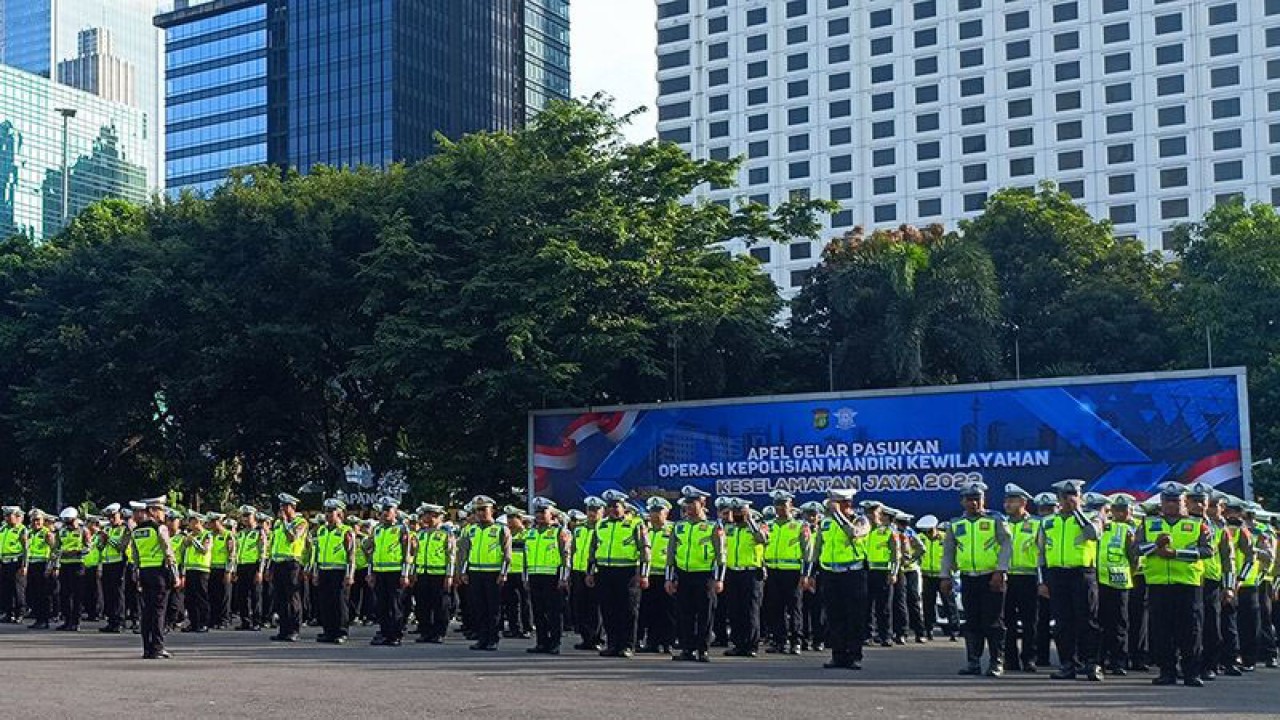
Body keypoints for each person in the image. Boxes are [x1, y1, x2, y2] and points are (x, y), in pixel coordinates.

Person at [1138, 482, 1213, 687]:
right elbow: (1136, 549)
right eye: (1168, 501)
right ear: (1161, 502)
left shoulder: (1199, 525)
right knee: (1162, 630)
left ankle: (1191, 672)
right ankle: (1167, 672)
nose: (1172, 505)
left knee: (1191, 631)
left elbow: (1208, 551)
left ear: (1184, 502)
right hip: (1158, 584)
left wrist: (1177, 554)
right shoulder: (1148, 523)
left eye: (1176, 501)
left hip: (1187, 584)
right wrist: (1156, 545)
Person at [941, 481, 1011, 677]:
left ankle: (996, 662)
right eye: (969, 499)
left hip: (991, 577)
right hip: (968, 578)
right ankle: (973, 662)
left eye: (977, 499)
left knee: (994, 621)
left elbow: (1006, 545)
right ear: (962, 501)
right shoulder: (955, 524)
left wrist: (1001, 570)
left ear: (983, 499)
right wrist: (945, 576)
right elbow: (948, 552)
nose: (973, 503)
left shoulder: (995, 519)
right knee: (972, 621)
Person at [1039, 479, 1104, 681]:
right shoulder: (1048, 521)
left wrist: (1077, 512)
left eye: (1073, 496)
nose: (1068, 500)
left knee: (1087, 620)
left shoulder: (1092, 516)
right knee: (1062, 623)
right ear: (1058, 499)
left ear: (1080, 497)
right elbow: (1040, 552)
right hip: (1057, 575)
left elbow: (1094, 535)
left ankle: (1092, 664)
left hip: (1082, 574)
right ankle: (1068, 664)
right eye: (1065, 497)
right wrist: (1042, 580)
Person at [805, 487, 871, 670]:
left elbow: (854, 533)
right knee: (834, 616)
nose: (831, 506)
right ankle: (838, 655)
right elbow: (816, 549)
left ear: (847, 503)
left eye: (837, 502)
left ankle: (854, 655)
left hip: (853, 573)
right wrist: (810, 574)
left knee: (854, 616)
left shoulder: (860, 520)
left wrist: (838, 515)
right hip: (830, 573)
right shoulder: (826, 523)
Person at [666, 485, 725, 662]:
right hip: (684, 575)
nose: (689, 507)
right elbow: (671, 554)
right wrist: (669, 578)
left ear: (702, 503)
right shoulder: (679, 526)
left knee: (705, 614)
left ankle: (703, 649)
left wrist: (718, 579)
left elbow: (721, 554)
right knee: (685, 613)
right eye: (687, 504)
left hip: (705, 576)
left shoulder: (713, 526)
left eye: (693, 503)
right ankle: (687, 649)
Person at [588, 489, 650, 658]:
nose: (613, 509)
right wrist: (590, 572)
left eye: (616, 506)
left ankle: (628, 645)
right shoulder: (601, 524)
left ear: (624, 507)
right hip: (605, 572)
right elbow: (593, 550)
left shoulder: (636, 524)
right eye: (610, 506)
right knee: (608, 609)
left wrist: (644, 574)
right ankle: (612, 644)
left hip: (628, 572)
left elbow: (645, 550)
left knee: (628, 610)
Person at [1187, 483, 1234, 681]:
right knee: (1188, 626)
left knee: (1211, 626)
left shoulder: (1219, 528)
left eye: (1202, 502)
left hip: (1211, 581)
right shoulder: (1178, 524)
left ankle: (1209, 665)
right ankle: (1189, 665)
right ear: (1186, 502)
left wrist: (1229, 586)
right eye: (1194, 501)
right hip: (1188, 579)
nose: (1199, 505)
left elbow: (1227, 558)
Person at [457, 495, 511, 651]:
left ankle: (492, 638)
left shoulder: (501, 529)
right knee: (478, 607)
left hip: (493, 573)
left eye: (483, 509)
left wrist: (503, 573)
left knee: (492, 608)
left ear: (492, 510)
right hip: (475, 573)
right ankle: (482, 638)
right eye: (477, 510)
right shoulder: (471, 530)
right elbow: (465, 553)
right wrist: (463, 572)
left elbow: (507, 555)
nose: (480, 513)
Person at [130, 496, 179, 659]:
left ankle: (147, 648)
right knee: (159, 611)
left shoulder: (136, 531)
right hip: (159, 573)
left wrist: (137, 573)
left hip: (144, 573)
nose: (163, 513)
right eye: (160, 509)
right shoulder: (159, 528)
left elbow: (135, 555)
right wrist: (175, 574)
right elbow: (168, 551)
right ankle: (158, 647)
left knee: (147, 611)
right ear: (152, 511)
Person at [763, 490, 809, 654]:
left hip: (793, 572)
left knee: (794, 607)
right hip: (773, 571)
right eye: (777, 505)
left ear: (791, 506)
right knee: (775, 607)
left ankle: (796, 641)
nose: (780, 508)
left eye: (784, 504)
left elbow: (806, 551)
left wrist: (805, 574)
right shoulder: (768, 525)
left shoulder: (800, 525)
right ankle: (779, 641)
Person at [1097, 493, 1138, 675]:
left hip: (1119, 582)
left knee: (1119, 624)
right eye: (1116, 510)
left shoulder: (1126, 530)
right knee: (1098, 623)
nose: (1119, 513)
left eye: (1124, 510)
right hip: (1097, 581)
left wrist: (1130, 574)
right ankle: (1100, 660)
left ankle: (1119, 661)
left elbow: (1134, 558)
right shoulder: (1099, 527)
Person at [1000, 483, 1040, 671]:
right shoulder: (1001, 523)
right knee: (1006, 620)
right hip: (1006, 577)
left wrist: (1042, 580)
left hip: (1028, 577)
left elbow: (1041, 554)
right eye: (1006, 500)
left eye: (1012, 501)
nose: (1007, 504)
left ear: (1023, 502)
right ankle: (1010, 659)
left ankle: (1029, 658)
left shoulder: (1036, 524)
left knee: (1030, 621)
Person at [524, 497, 571, 654]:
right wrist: (526, 578)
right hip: (535, 576)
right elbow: (526, 557)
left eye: (543, 512)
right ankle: (541, 642)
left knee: (553, 612)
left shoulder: (559, 532)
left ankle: (555, 643)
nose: (539, 516)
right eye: (537, 512)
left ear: (552, 514)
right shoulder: (531, 533)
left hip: (553, 576)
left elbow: (566, 556)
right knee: (538, 611)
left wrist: (564, 578)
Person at [722, 497, 767, 657]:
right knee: (735, 610)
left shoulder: (758, 527)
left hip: (751, 573)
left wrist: (750, 521)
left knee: (750, 610)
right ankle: (738, 644)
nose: (736, 514)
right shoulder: (730, 529)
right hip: (732, 572)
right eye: (734, 512)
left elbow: (763, 539)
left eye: (739, 511)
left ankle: (751, 645)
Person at [367, 497, 412, 646]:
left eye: (388, 510)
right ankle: (384, 633)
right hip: (380, 571)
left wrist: (405, 574)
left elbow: (407, 553)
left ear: (395, 512)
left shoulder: (401, 529)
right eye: (382, 511)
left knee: (395, 605)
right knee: (381, 605)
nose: (384, 513)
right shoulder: (377, 529)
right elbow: (372, 551)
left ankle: (395, 635)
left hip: (395, 571)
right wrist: (371, 572)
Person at [312, 498, 356, 644]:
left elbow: (351, 554)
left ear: (340, 513)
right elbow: (317, 553)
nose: (328, 514)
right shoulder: (322, 530)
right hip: (324, 570)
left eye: (332, 511)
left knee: (340, 603)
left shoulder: (345, 531)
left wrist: (350, 574)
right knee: (325, 602)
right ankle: (328, 631)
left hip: (339, 571)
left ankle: (341, 631)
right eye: (326, 511)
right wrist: (316, 572)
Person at [267, 493, 309, 642]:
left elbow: (293, 538)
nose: (282, 509)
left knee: (292, 598)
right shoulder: (277, 524)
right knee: (280, 598)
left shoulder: (301, 522)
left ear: (293, 507)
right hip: (278, 563)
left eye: (285, 506)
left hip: (292, 564)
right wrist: (269, 567)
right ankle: (283, 630)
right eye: (281, 506)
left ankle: (293, 629)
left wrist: (285, 523)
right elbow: (273, 546)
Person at [412, 503, 456, 644]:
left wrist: (449, 575)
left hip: (439, 574)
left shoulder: (446, 534)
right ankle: (425, 631)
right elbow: (415, 555)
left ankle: (439, 632)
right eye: (427, 515)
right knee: (422, 604)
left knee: (440, 605)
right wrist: (413, 572)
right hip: (422, 573)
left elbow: (451, 556)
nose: (429, 518)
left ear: (439, 518)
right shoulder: (421, 534)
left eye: (433, 516)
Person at [638, 496, 676, 654]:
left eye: (658, 511)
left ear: (666, 513)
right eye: (652, 511)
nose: (654, 515)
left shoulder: (673, 530)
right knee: (649, 611)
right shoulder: (645, 530)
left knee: (667, 612)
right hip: (648, 576)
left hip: (666, 576)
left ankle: (668, 642)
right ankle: (652, 642)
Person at [862, 500, 899, 647]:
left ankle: (885, 635)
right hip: (866, 571)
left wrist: (893, 572)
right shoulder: (862, 530)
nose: (871, 515)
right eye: (868, 512)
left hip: (883, 572)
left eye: (874, 512)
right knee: (866, 605)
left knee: (883, 606)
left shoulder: (889, 531)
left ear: (881, 515)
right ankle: (868, 634)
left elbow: (896, 554)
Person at [570, 498, 603, 650]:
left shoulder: (603, 528)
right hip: (578, 571)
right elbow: (573, 550)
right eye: (590, 510)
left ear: (602, 512)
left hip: (596, 572)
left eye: (595, 510)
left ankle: (596, 638)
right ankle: (586, 638)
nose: (592, 513)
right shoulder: (578, 529)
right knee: (580, 606)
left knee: (595, 607)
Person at [918, 515, 957, 642]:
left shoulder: (946, 537)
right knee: (928, 603)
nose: (928, 533)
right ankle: (929, 629)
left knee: (949, 603)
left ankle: (954, 631)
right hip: (927, 575)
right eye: (926, 531)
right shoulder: (920, 539)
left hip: (943, 575)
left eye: (930, 530)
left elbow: (954, 553)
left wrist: (953, 569)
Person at [891, 510, 926, 644]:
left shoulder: (910, 532)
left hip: (910, 570)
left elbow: (922, 548)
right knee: (899, 602)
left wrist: (911, 559)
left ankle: (919, 632)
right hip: (897, 570)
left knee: (913, 600)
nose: (904, 526)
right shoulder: (892, 531)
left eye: (906, 523)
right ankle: (901, 632)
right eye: (902, 523)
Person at [54, 507, 90, 631]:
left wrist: (77, 552)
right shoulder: (61, 531)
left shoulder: (83, 531)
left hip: (77, 565)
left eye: (70, 522)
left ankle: (76, 621)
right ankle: (67, 620)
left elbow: (88, 548)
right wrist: (60, 555)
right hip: (64, 565)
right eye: (66, 522)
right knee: (64, 594)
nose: (68, 525)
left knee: (77, 595)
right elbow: (56, 548)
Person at [500, 506, 533, 639]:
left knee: (525, 602)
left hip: (522, 572)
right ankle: (514, 628)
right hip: (509, 572)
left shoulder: (527, 534)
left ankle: (527, 628)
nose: (509, 521)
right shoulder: (506, 534)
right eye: (508, 518)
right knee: (511, 602)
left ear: (520, 519)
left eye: (513, 518)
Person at [233, 505, 267, 631]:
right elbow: (237, 553)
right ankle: (245, 621)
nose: (246, 519)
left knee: (255, 595)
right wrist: (234, 569)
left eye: (248, 516)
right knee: (242, 596)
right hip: (242, 566)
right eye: (244, 516)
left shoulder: (259, 532)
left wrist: (260, 570)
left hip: (254, 566)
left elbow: (262, 552)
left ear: (254, 517)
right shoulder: (241, 534)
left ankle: (257, 621)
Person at [178, 511, 213, 633]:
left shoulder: (207, 535)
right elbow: (184, 552)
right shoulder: (190, 535)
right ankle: (193, 622)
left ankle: (203, 623)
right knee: (190, 598)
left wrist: (193, 540)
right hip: (190, 569)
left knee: (201, 597)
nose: (190, 524)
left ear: (198, 522)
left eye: (192, 521)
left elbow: (204, 550)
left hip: (201, 569)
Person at [98, 504, 129, 633]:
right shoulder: (107, 528)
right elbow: (99, 547)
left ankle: (119, 621)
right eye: (109, 517)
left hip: (119, 563)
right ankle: (111, 620)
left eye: (113, 516)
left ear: (119, 515)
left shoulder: (125, 529)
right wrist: (103, 541)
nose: (111, 520)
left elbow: (122, 547)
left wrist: (109, 539)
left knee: (118, 593)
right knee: (108, 593)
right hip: (107, 563)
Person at [206, 513, 236, 630]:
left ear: (219, 522)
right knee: (213, 595)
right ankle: (214, 619)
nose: (212, 525)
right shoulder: (209, 535)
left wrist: (228, 571)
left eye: (214, 522)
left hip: (223, 569)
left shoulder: (228, 535)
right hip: (211, 568)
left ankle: (224, 620)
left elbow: (231, 554)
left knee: (224, 596)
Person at [0, 506, 28, 624]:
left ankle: (20, 613)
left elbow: (26, 548)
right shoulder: (3, 528)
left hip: (16, 562)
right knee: (5, 589)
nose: (6, 518)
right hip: (4, 562)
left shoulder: (22, 529)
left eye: (8, 515)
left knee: (18, 590)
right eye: (5, 515)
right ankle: (8, 612)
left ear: (16, 516)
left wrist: (24, 565)